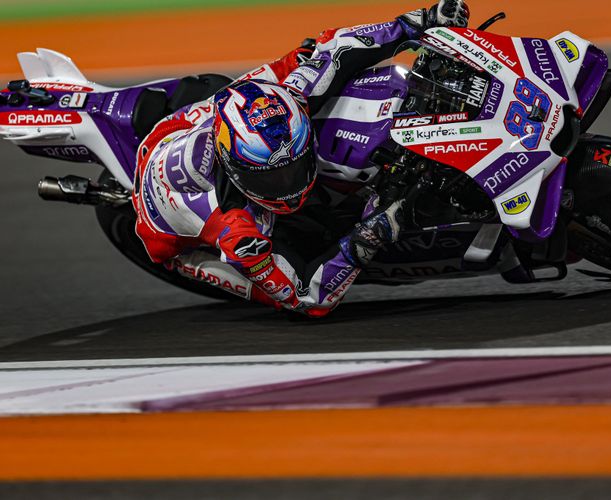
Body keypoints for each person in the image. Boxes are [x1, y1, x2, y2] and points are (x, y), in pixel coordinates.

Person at [132, 1, 470, 317]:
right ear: (236, 171)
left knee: (305, 57)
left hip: (185, 125)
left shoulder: (293, 97)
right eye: (272, 178)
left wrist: (420, 21)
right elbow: (308, 299)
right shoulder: (238, 231)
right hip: (166, 233)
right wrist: (366, 239)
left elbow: (337, 48)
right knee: (279, 275)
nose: (289, 184)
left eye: (296, 164)